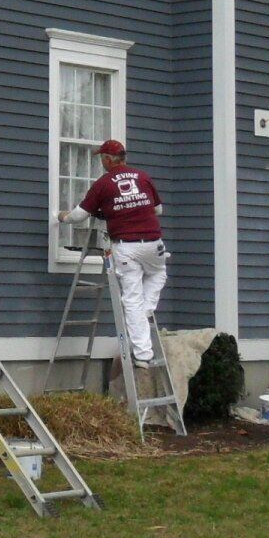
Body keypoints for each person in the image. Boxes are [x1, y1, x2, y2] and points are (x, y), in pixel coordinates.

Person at [56, 138, 167, 367]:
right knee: (158, 275)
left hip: (126, 246)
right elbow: (158, 209)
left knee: (132, 300)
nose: (101, 163)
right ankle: (147, 312)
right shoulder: (143, 177)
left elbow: (79, 215)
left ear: (108, 159)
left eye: (102, 158)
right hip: (153, 243)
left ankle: (143, 355)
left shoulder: (103, 184)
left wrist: (61, 217)